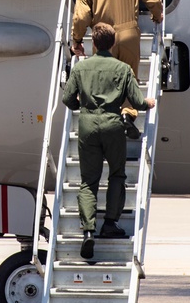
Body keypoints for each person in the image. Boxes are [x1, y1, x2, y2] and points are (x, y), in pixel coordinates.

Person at [62, 23, 155, 259]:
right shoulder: (122, 69)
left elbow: (67, 98)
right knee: (116, 175)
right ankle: (110, 222)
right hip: (113, 125)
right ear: (113, 43)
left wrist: (81, 106)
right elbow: (137, 100)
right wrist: (148, 103)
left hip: (88, 125)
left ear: (94, 43)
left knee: (88, 182)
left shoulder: (81, 68)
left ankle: (88, 232)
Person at [72, 0, 162, 140]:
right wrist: (157, 15)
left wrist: (77, 41)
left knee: (107, 82)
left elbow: (81, 17)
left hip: (104, 39)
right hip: (130, 35)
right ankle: (127, 115)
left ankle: (110, 122)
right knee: (130, 78)